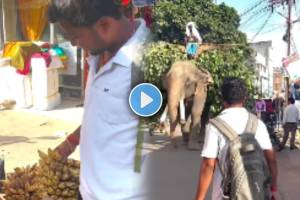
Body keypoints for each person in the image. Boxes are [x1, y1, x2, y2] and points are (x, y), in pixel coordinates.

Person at [48, 0, 150, 199]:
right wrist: (70, 143)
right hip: (87, 192)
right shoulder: (97, 55)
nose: (72, 44)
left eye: (75, 36)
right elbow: (104, 116)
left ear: (103, 25)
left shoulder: (147, 66)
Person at [195, 77, 278, 200]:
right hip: (256, 193)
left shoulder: (214, 126)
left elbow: (208, 165)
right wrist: (273, 187)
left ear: (223, 100)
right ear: (244, 98)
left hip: (224, 195)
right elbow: (271, 159)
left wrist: (199, 198)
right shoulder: (257, 124)